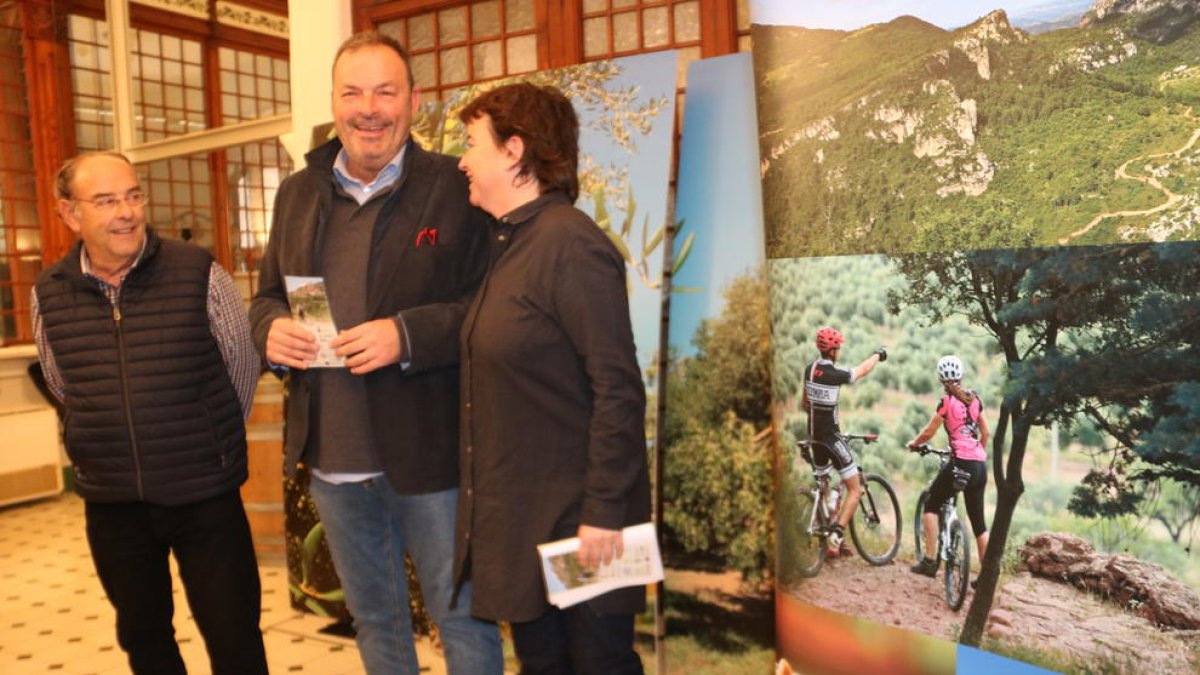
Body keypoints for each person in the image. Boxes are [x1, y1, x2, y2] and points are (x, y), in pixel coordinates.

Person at [248, 32, 501, 675]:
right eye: (352, 92)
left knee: (463, 622)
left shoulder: (455, 185)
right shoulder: (297, 193)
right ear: (333, 102)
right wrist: (270, 330)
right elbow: (267, 298)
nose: (369, 108)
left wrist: (406, 336)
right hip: (332, 456)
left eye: (385, 92)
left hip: (432, 455)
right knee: (375, 622)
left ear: (413, 102)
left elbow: (493, 306)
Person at [31, 151, 267, 675]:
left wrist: (212, 439)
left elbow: (241, 367)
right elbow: (61, 382)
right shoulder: (49, 292)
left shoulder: (198, 271)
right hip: (114, 503)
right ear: (70, 214)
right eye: (107, 200)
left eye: (133, 196)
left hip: (204, 491)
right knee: (143, 637)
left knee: (234, 635)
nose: (126, 212)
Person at [454, 82, 651, 673]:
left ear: (514, 151)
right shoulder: (509, 244)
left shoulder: (570, 244)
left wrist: (604, 512)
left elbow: (618, 389)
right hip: (525, 527)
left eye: (470, 143)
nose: (461, 161)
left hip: (583, 529)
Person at [801, 326, 886, 558]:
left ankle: (829, 532)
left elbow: (805, 404)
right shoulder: (834, 374)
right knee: (855, 488)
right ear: (834, 350)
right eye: (839, 347)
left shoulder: (810, 370)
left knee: (825, 486)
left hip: (814, 438)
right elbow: (862, 370)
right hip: (831, 438)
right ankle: (836, 536)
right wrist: (878, 355)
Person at [907, 355, 990, 577]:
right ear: (961, 376)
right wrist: (978, 452)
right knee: (980, 525)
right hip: (980, 466)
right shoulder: (975, 399)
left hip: (960, 462)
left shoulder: (945, 402)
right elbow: (986, 432)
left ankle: (930, 562)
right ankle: (987, 577)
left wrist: (915, 444)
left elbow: (929, 431)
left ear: (940, 379)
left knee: (932, 504)